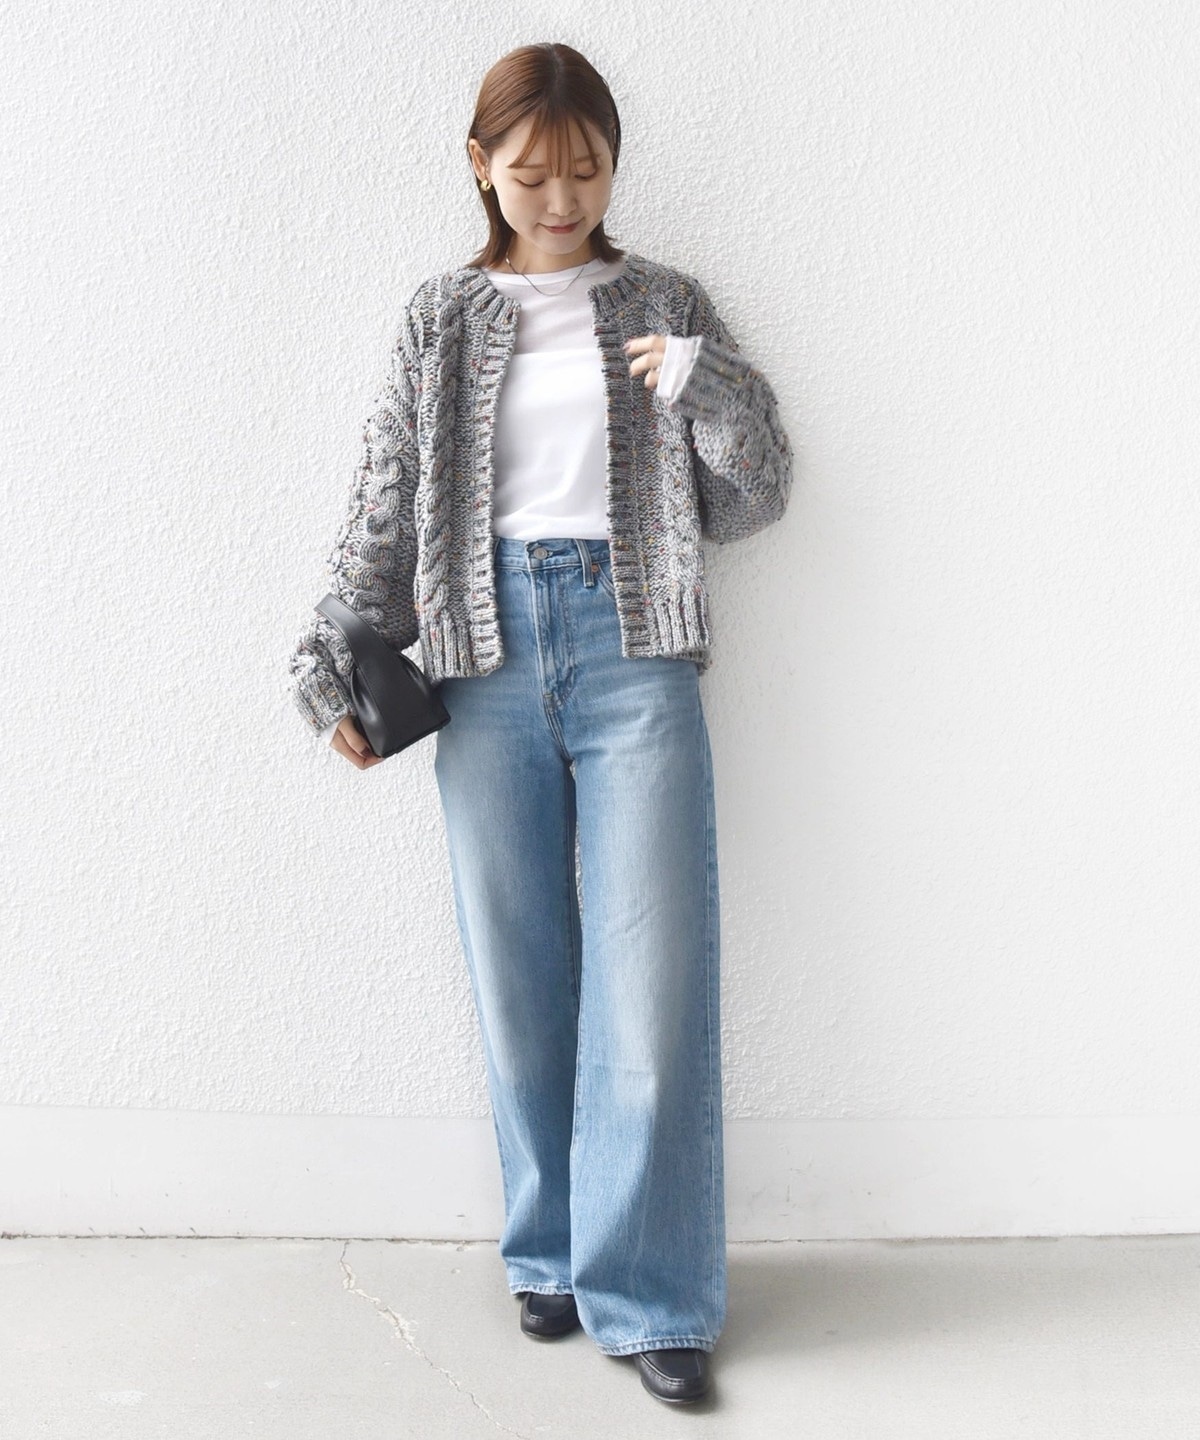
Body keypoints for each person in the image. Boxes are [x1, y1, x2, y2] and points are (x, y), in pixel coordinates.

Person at [286, 42, 794, 1406]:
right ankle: (553, 1255)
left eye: (586, 170)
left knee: (653, 979)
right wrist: (330, 667)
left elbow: (759, 497)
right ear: (480, 166)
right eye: (531, 173)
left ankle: (656, 1296)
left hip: (637, 650)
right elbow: (386, 503)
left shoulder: (666, 303)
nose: (561, 199)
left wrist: (704, 386)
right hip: (484, 656)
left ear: (613, 165)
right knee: (520, 977)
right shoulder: (441, 316)